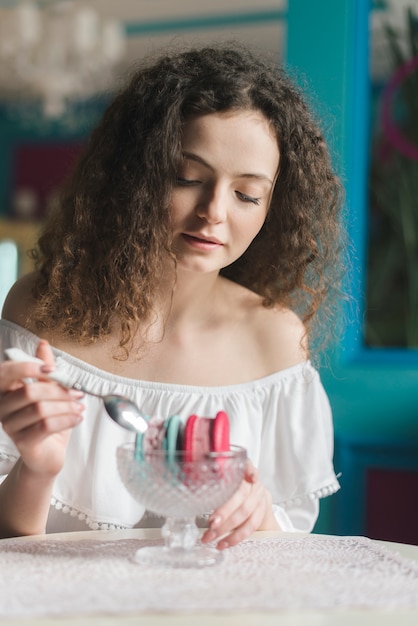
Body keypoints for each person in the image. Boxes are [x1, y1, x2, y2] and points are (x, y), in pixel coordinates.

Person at [0, 43, 343, 545]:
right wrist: (37, 467)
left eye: (246, 194)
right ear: (134, 177)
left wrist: (261, 517)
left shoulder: (276, 341)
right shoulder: (43, 311)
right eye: (187, 177)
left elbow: (284, 552)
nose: (214, 212)